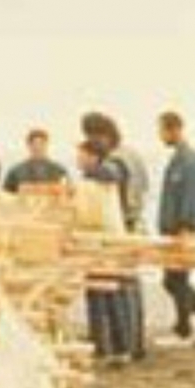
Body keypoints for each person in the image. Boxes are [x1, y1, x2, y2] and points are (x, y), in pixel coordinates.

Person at [157, 110, 195, 344]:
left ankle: (187, 328)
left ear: (173, 130)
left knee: (176, 280)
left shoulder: (191, 162)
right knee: (173, 280)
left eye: (162, 130)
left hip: (185, 230)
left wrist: (186, 227)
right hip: (177, 229)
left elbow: (192, 198)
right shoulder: (179, 159)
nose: (161, 136)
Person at [76, 140, 133, 362]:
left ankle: (108, 347)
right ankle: (117, 347)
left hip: (101, 241)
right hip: (110, 238)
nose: (78, 159)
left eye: (81, 155)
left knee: (103, 294)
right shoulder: (107, 176)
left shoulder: (94, 180)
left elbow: (88, 215)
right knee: (110, 294)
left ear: (92, 157)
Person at [81, 111, 149, 232]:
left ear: (105, 136)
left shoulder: (117, 158)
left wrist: (89, 167)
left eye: (94, 139)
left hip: (126, 224)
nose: (93, 144)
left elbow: (111, 174)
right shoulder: (131, 153)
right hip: (137, 220)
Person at [2, 128, 69, 193]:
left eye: (41, 144)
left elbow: (68, 191)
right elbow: (5, 194)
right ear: (28, 145)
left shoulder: (59, 170)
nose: (38, 147)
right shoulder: (15, 172)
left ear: (47, 145)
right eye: (34, 144)